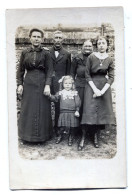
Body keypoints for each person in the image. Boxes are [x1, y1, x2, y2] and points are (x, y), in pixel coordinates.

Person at [17, 28, 53, 143]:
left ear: (42, 39)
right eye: (34, 36)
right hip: (29, 84)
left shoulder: (46, 53)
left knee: (42, 108)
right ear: (30, 38)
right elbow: (21, 70)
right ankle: (26, 136)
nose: (36, 39)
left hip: (42, 82)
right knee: (28, 109)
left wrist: (47, 85)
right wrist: (20, 84)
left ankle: (42, 137)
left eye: (38, 37)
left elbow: (49, 71)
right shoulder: (24, 52)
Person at [79, 36, 115, 150]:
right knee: (88, 110)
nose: (101, 45)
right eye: (99, 43)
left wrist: (102, 91)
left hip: (103, 87)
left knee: (99, 113)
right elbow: (87, 74)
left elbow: (111, 77)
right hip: (91, 86)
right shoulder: (91, 57)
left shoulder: (109, 59)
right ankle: (83, 137)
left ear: (107, 45)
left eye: (103, 43)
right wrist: (95, 90)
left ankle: (95, 137)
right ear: (96, 45)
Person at [49, 30, 71, 136]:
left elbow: (68, 73)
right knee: (45, 105)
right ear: (52, 39)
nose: (57, 40)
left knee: (58, 106)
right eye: (56, 38)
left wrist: (65, 86)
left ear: (62, 40)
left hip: (60, 85)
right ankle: (46, 127)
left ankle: (57, 127)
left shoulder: (67, 54)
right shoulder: (47, 52)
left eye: (59, 38)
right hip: (48, 84)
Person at [49, 75, 81, 146]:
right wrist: (50, 96)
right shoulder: (61, 92)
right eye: (66, 83)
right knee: (62, 126)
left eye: (69, 83)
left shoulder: (74, 92)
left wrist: (77, 110)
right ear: (63, 84)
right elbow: (55, 98)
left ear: (72, 84)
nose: (67, 85)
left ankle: (70, 137)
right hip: (63, 112)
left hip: (72, 112)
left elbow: (78, 102)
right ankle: (60, 136)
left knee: (72, 127)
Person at [71, 40, 93, 121]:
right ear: (82, 47)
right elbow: (72, 73)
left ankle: (89, 129)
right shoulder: (76, 58)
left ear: (92, 48)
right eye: (86, 46)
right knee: (79, 105)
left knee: (89, 106)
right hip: (79, 85)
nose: (88, 48)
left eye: (89, 46)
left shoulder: (95, 58)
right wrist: (72, 85)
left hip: (91, 86)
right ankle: (78, 128)